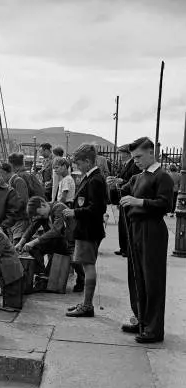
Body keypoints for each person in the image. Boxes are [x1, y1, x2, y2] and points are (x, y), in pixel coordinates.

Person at [119, 137, 173, 343]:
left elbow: (165, 204)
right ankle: (141, 319)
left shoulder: (162, 176)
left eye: (139, 157)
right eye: (134, 158)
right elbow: (127, 190)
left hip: (152, 230)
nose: (136, 161)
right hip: (136, 228)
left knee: (153, 280)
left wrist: (138, 201)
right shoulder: (140, 176)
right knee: (136, 276)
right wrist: (119, 185)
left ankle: (154, 328)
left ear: (152, 152)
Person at [62, 143, 107, 317]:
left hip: (88, 230)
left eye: (79, 164)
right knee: (86, 264)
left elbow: (97, 208)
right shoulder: (92, 177)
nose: (77, 168)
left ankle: (87, 305)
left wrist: (75, 212)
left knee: (88, 266)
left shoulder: (95, 179)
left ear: (87, 161)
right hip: (86, 229)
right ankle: (86, 303)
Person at [15, 196, 85, 289]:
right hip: (57, 242)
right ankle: (42, 272)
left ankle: (81, 279)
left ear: (43, 205)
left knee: (75, 261)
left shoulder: (59, 208)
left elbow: (56, 230)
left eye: (39, 214)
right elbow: (32, 228)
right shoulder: (42, 214)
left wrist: (33, 242)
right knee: (33, 247)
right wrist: (21, 242)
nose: (39, 217)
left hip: (71, 242)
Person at [107, 144, 141, 256]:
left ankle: (127, 249)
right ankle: (123, 248)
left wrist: (121, 180)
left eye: (121, 153)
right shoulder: (126, 164)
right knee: (122, 224)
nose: (120, 156)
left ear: (127, 153)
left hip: (129, 197)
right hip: (123, 197)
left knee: (127, 225)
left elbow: (134, 181)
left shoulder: (133, 165)